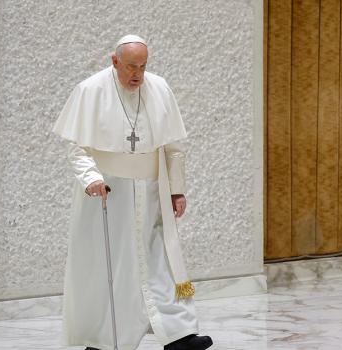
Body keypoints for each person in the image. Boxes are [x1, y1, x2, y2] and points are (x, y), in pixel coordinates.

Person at [52, 35, 213, 350]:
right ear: (114, 61)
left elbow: (173, 147)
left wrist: (176, 190)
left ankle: (179, 334)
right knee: (112, 267)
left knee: (162, 260)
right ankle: (103, 340)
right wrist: (91, 178)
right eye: (130, 67)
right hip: (110, 193)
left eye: (142, 66)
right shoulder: (91, 90)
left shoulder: (160, 88)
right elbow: (77, 147)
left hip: (152, 193)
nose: (137, 74)